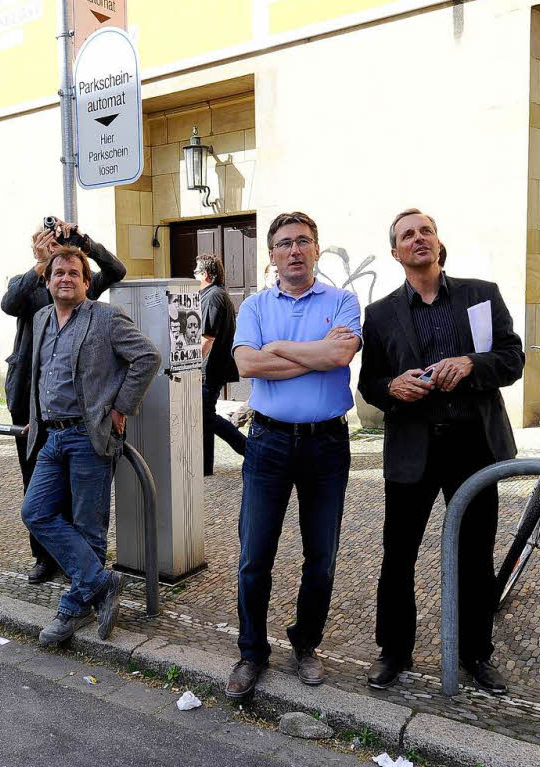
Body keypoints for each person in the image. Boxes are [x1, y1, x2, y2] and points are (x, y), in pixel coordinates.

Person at [358, 209, 524, 694]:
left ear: (437, 240)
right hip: (413, 447)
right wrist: (394, 385)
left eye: (425, 230)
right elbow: (369, 383)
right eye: (407, 235)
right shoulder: (381, 313)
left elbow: (512, 358)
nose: (418, 239)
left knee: (475, 554)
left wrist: (471, 363)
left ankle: (475, 654)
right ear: (396, 252)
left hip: (475, 444)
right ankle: (394, 651)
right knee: (398, 553)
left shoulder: (480, 295)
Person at [225, 212, 362, 698]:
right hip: (268, 442)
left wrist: (279, 350)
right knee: (253, 554)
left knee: (321, 556)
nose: (295, 251)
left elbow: (339, 357)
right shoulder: (255, 306)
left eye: (303, 241)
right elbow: (246, 363)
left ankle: (306, 643)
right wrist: (310, 351)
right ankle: (250, 652)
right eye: (285, 244)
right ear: (273, 255)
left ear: (316, 249)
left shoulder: (343, 300)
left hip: (327, 443)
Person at [21, 246, 160, 645]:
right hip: (51, 435)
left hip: (89, 435)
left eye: (73, 273)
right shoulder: (41, 317)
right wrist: (37, 412)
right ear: (47, 281)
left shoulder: (104, 316)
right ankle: (101, 583)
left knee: (88, 526)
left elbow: (146, 358)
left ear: (86, 281)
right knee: (36, 512)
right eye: (58, 272)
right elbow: (41, 372)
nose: (65, 278)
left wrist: (120, 408)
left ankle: (72, 609)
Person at [2, 219, 127, 584]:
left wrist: (85, 243)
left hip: (74, 404)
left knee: (77, 486)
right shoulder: (28, 282)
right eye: (50, 242)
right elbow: (9, 304)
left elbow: (116, 270)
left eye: (62, 241)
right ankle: (44, 557)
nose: (63, 274)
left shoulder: (79, 281)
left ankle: (78, 562)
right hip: (29, 395)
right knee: (35, 483)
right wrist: (40, 264)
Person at [195, 254, 246, 476]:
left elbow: (207, 337)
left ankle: (250, 450)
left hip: (211, 369)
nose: (194, 276)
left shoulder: (212, 296)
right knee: (204, 417)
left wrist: (191, 365)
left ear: (206, 274)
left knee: (206, 416)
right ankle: (205, 467)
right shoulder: (214, 295)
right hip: (212, 368)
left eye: (196, 272)